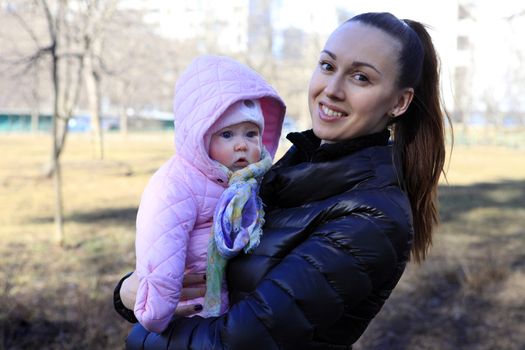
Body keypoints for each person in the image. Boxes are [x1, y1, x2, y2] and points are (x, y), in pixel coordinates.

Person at [116, 11, 449, 349]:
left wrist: (141, 337)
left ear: (399, 102)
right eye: (328, 66)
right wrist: (129, 293)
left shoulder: (372, 217)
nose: (331, 90)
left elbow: (239, 341)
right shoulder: (281, 172)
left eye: (361, 78)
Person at [113, 55, 286, 334]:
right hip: (187, 309)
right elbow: (161, 246)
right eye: (227, 135)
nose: (242, 145)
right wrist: (157, 312)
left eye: (251, 134)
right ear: (201, 137)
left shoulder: (249, 181)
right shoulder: (177, 183)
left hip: (226, 312)